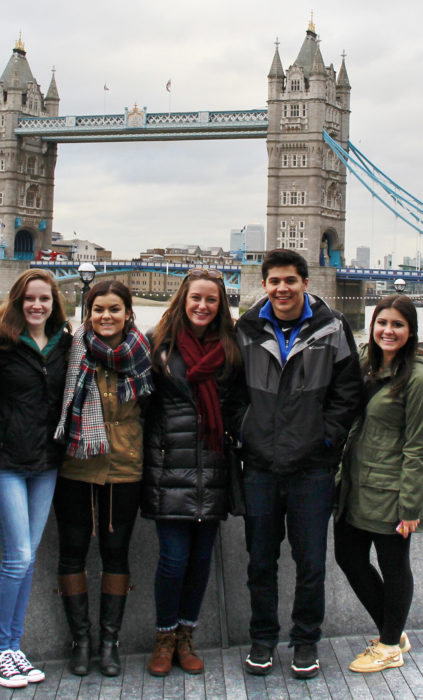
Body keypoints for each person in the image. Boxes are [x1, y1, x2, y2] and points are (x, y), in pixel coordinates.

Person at [235, 249, 362, 680]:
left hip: (312, 467)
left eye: (290, 281)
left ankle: (306, 641)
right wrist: (247, 429)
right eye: (274, 281)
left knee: (311, 562)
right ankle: (263, 638)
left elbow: (349, 392)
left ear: (305, 283)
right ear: (264, 285)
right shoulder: (247, 329)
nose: (282, 289)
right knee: (260, 561)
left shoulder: (334, 328)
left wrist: (325, 437)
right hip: (260, 465)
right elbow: (232, 391)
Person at [142, 269, 246, 677]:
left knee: (201, 560)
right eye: (196, 298)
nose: (203, 306)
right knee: (173, 560)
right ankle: (164, 636)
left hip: (215, 465)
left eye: (212, 300)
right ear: (183, 300)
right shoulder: (159, 344)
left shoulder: (231, 348)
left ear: (221, 305)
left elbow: (239, 404)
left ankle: (187, 636)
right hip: (170, 466)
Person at [53, 279, 154, 678]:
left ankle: (110, 642)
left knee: (116, 554)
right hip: (76, 463)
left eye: (114, 309)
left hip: (125, 467)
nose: (106, 317)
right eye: (98, 309)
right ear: (87, 312)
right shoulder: (70, 351)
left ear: (128, 313)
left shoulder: (144, 354)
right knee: (72, 552)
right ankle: (80, 640)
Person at [335, 294, 423, 674]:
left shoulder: (419, 381)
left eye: (397, 324)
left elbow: (418, 449)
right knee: (348, 557)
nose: (388, 331)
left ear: (410, 331)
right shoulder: (366, 364)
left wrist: (411, 507)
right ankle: (392, 631)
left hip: (392, 491)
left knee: (395, 567)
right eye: (382, 323)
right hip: (355, 484)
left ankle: (390, 645)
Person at [0, 269, 72, 688]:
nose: (37, 306)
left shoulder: (65, 343)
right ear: (17, 301)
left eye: (45, 300)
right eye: (29, 299)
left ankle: (13, 647)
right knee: (17, 556)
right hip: (3, 460)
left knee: (29, 557)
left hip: (46, 462)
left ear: (55, 304)